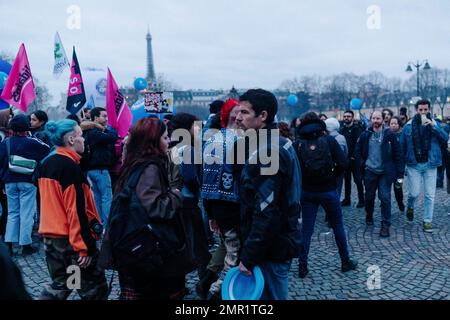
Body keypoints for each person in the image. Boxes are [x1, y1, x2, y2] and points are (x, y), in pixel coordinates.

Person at [104, 117, 191, 300]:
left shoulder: (134, 162)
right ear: (152, 141)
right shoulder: (150, 167)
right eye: (166, 138)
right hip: (149, 251)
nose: (169, 142)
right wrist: (175, 194)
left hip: (136, 248)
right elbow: (156, 208)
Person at [236, 89, 301, 300]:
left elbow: (266, 212)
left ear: (262, 116)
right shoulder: (277, 143)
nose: (238, 118)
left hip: (271, 250)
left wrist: (249, 256)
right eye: (238, 112)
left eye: (244, 112)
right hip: (275, 244)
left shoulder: (268, 152)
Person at [37, 119, 107, 300]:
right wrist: (83, 248)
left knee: (63, 284)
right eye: (81, 136)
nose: (84, 140)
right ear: (71, 140)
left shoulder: (48, 163)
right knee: (94, 288)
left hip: (51, 237)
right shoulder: (68, 167)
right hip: (70, 239)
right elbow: (75, 211)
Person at [295, 112, 357, 278]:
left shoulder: (298, 144)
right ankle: (345, 261)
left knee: (307, 229)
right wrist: (333, 176)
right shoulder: (329, 141)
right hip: (328, 190)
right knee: (337, 225)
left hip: (307, 191)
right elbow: (344, 162)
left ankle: (302, 266)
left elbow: (295, 170)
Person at [201, 98, 242, 300]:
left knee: (228, 249)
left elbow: (205, 180)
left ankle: (209, 286)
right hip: (231, 206)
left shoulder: (213, 138)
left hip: (219, 205)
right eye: (237, 111)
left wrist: (210, 211)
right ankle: (216, 292)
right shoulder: (237, 141)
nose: (240, 115)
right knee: (233, 255)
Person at [170, 113, 211, 285]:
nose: (198, 129)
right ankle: (204, 283)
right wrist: (199, 189)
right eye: (195, 126)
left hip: (174, 200)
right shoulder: (188, 149)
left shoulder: (172, 147)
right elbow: (190, 177)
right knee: (198, 246)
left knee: (179, 245)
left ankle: (178, 283)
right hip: (188, 201)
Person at [0, 115, 50, 255]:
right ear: (26, 127)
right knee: (26, 213)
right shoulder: (32, 142)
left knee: (12, 212)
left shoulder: (5, 143)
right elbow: (47, 148)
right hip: (27, 180)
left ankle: (9, 244)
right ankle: (25, 244)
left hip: (9, 181)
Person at [400, 99, 448, 232]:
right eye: (420, 110)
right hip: (413, 164)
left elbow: (445, 139)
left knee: (429, 195)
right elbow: (402, 147)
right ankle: (410, 206)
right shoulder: (408, 126)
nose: (423, 112)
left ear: (429, 109)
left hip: (430, 164)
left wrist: (434, 126)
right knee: (414, 193)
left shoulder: (435, 124)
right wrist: (401, 166)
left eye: (425, 109)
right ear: (417, 110)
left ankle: (427, 221)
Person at [354, 111, 404, 237]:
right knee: (369, 197)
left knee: (385, 198)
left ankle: (385, 225)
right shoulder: (365, 135)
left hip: (385, 173)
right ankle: (369, 214)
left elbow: (398, 154)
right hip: (370, 171)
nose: (375, 120)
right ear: (371, 119)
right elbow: (357, 152)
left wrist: (400, 173)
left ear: (383, 119)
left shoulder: (389, 134)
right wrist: (363, 163)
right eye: (373, 118)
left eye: (378, 118)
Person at [82, 107, 118, 227]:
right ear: (96, 118)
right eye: (104, 116)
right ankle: (107, 226)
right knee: (106, 198)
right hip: (100, 170)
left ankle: (97, 225)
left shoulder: (87, 131)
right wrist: (108, 128)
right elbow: (113, 137)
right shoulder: (95, 132)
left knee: (97, 198)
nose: (106, 119)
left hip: (91, 170)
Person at [340, 110, 365, 208]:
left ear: (352, 118)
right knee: (346, 180)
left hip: (355, 159)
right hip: (345, 160)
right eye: (345, 116)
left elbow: (358, 144)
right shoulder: (342, 130)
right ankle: (347, 199)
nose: (346, 118)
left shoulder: (357, 129)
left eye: (348, 116)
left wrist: (354, 156)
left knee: (358, 180)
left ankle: (361, 200)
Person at [325, 117, 348, 199]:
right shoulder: (342, 137)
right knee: (338, 186)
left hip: (327, 167)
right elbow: (345, 152)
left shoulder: (324, 139)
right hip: (339, 166)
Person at [389, 116, 405, 212]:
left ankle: (400, 202)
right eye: (392, 123)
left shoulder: (403, 135)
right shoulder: (386, 134)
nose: (393, 125)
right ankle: (386, 204)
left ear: (399, 124)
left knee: (398, 186)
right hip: (388, 165)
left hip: (399, 165)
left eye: (395, 123)